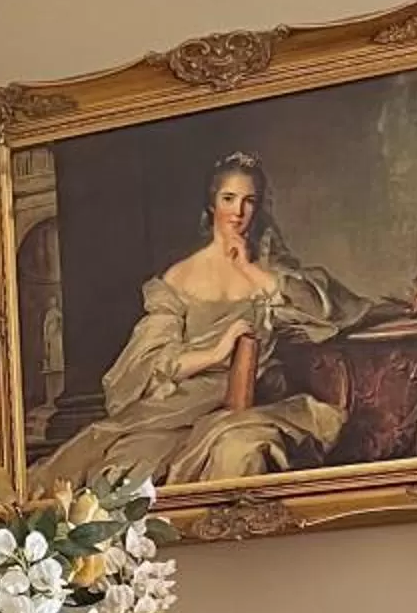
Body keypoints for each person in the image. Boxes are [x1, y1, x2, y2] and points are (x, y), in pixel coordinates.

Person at [41, 153, 379, 489]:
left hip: (251, 401)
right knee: (123, 473)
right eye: (228, 198)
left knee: (240, 453)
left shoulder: (270, 272)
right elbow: (156, 361)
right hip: (179, 409)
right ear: (212, 204)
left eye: (249, 201)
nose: (238, 211)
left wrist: (247, 268)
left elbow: (324, 312)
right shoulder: (181, 277)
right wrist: (217, 352)